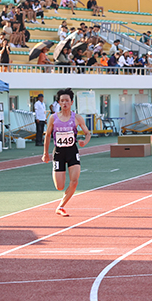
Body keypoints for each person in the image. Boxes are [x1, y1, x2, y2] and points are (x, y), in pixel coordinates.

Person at [41, 88, 92, 217]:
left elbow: (87, 133)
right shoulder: (53, 118)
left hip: (72, 151)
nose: (65, 103)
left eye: (67, 101)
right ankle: (61, 201)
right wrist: (45, 153)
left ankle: (61, 206)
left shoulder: (77, 118)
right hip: (58, 153)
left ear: (71, 102)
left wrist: (84, 142)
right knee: (60, 186)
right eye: (62, 101)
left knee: (75, 181)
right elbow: (47, 136)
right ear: (59, 102)